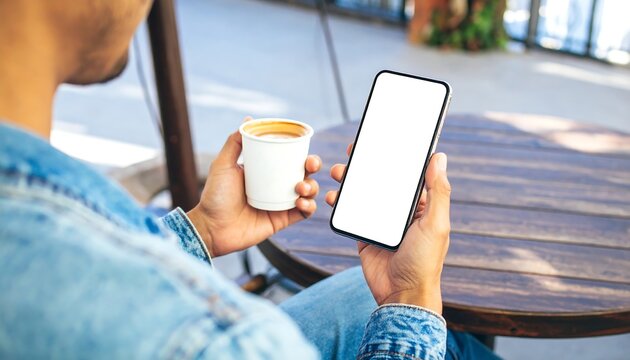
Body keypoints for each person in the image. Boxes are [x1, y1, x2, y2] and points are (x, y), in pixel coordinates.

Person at [0, 1, 499, 359]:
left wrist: (198, 231)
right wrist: (412, 304)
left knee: (359, 293)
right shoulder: (225, 340)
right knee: (422, 327)